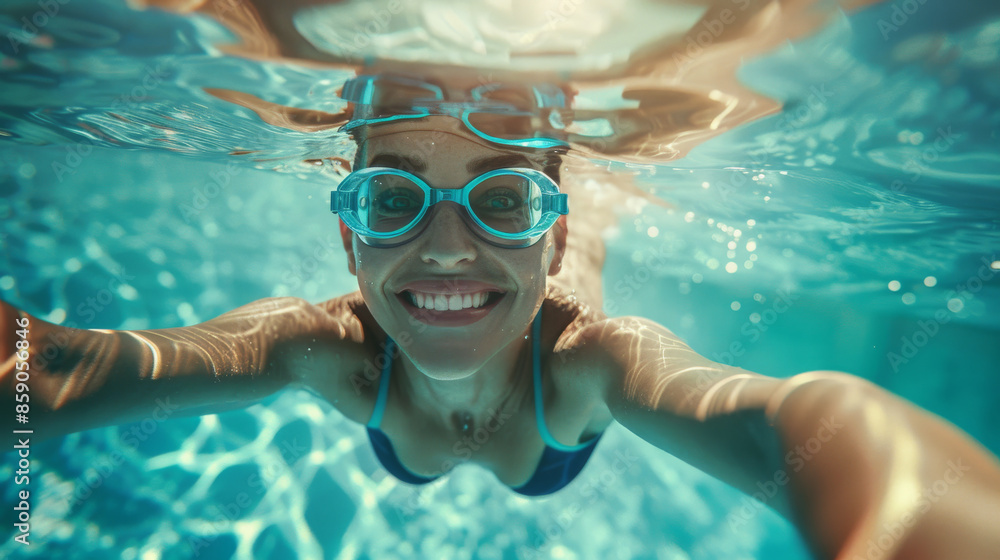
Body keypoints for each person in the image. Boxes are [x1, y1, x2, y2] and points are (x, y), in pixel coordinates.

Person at [4, 73, 1000, 560]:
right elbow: (50, 374)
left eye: (505, 200)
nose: (443, 245)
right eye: (392, 197)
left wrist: (901, 520)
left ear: (551, 244)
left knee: (589, 209)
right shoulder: (320, 344)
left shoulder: (592, 363)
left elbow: (797, 421)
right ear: (348, 238)